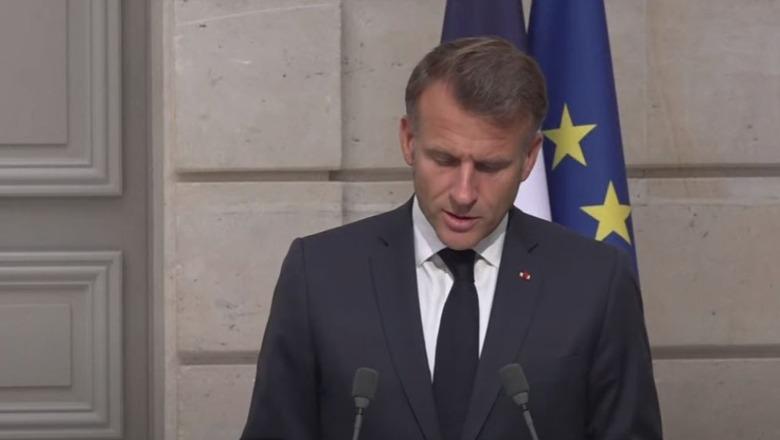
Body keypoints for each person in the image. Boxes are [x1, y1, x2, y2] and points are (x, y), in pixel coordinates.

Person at [241, 37, 662, 440]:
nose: (463, 193)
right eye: (443, 159)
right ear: (409, 141)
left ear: (529, 157)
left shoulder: (596, 282)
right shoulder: (319, 273)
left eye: (490, 166)